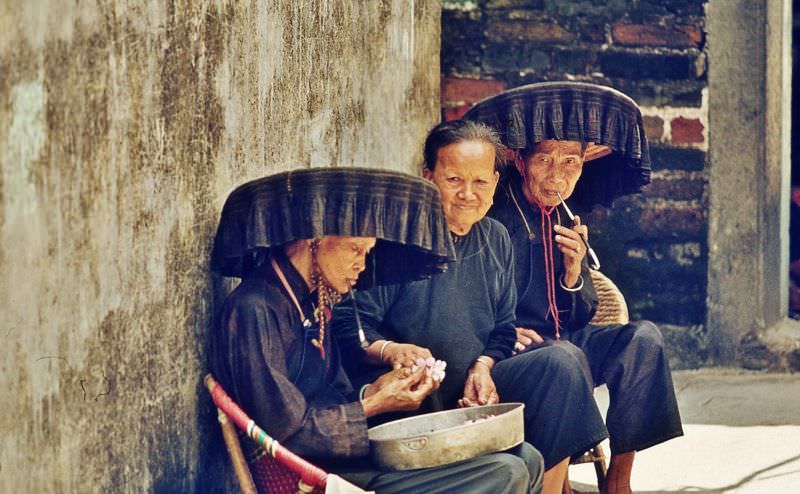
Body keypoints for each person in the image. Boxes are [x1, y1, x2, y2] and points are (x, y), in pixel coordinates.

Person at [210, 169, 543, 494]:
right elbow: (288, 433)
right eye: (355, 249)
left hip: (346, 455)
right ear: (314, 239)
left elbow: (335, 395)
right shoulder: (255, 308)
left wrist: (374, 391)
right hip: (317, 475)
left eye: (367, 253)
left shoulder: (312, 302)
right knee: (505, 470)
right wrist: (373, 407)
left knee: (527, 456)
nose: (362, 264)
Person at [332, 122, 607, 494]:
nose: (467, 194)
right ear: (428, 178)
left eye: (480, 182)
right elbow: (352, 325)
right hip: (415, 399)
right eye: (453, 179)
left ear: (495, 182)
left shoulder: (495, 238)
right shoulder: (398, 242)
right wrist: (393, 351)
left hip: (471, 389)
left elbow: (503, 328)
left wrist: (485, 366)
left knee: (561, 363)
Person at [465, 82, 684, 494]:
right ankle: (558, 483)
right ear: (519, 159)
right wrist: (499, 338)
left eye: (571, 162)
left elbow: (582, 313)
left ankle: (618, 481)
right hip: (522, 350)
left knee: (643, 339)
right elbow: (470, 295)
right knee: (565, 358)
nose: (557, 175)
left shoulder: (567, 212)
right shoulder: (492, 213)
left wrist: (573, 271)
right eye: (545, 159)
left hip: (569, 340)